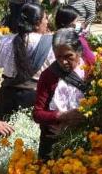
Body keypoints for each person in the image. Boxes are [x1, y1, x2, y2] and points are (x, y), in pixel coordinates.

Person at [0, 3, 53, 152]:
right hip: (34, 96)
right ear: (37, 22)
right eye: (45, 18)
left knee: (5, 134)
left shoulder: (5, 40)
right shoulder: (49, 43)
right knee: (29, 140)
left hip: (7, 95)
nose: (47, 21)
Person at [33, 29, 88, 159]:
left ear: (79, 52)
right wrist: (62, 116)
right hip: (54, 143)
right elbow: (37, 114)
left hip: (84, 142)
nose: (63, 62)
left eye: (69, 56)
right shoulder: (48, 76)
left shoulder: (90, 71)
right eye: (58, 57)